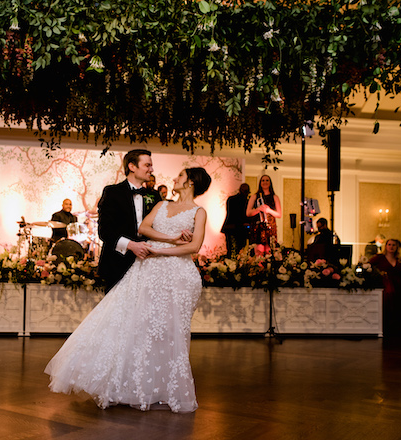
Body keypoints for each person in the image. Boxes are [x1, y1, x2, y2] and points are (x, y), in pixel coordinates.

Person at [45, 167, 211, 413]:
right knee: (137, 325)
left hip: (178, 276)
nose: (174, 178)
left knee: (169, 332)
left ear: (191, 183)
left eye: (180, 176)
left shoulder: (199, 212)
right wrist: (172, 237)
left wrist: (160, 251)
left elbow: (195, 246)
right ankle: (133, 386)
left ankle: (163, 388)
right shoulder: (161, 204)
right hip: (148, 270)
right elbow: (143, 229)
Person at [96, 149, 162, 292]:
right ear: (132, 167)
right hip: (117, 262)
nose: (152, 169)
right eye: (147, 165)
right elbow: (104, 231)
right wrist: (131, 245)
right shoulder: (112, 192)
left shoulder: (155, 196)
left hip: (147, 263)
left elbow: (160, 227)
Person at [369, 239, 401, 336]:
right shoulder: (379, 258)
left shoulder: (400, 260)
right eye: (389, 244)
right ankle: (387, 324)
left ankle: (400, 325)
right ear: (386, 246)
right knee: (389, 295)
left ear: (397, 247)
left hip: (399, 285)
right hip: (385, 283)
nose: (391, 247)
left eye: (394, 245)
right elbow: (368, 266)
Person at [246, 175, 281, 249]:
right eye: (263, 180)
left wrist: (269, 210)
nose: (265, 182)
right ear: (260, 183)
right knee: (259, 250)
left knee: (270, 250)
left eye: (267, 180)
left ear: (270, 183)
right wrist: (258, 209)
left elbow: (279, 214)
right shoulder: (255, 196)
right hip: (257, 227)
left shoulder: (275, 197)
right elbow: (248, 213)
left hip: (270, 227)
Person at [221, 183, 250, 257]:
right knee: (238, 252)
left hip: (231, 227)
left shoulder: (231, 199)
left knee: (231, 251)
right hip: (239, 228)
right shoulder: (246, 201)